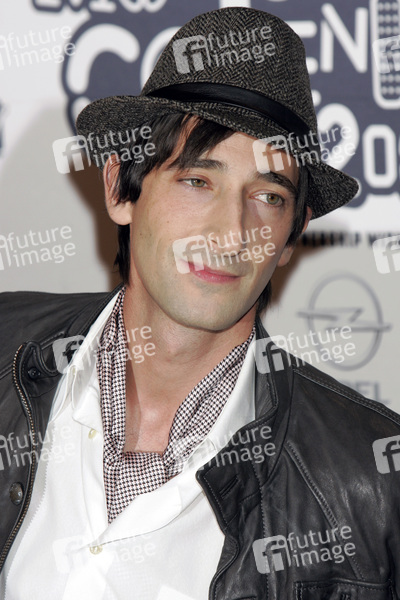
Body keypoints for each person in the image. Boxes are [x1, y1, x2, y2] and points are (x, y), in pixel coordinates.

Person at [0, 6, 399, 600]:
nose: (231, 232)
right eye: (197, 181)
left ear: (293, 233)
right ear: (120, 187)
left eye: (268, 196)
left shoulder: (370, 484)